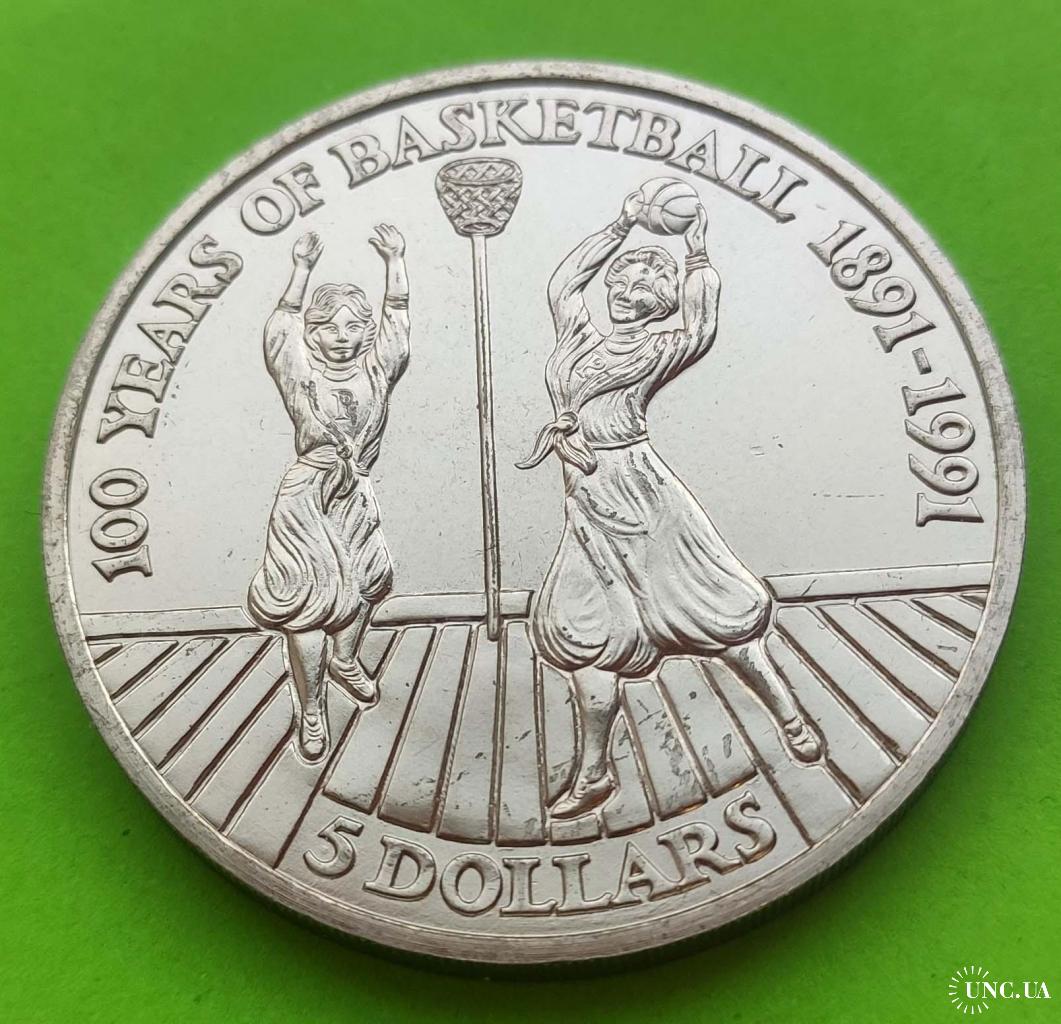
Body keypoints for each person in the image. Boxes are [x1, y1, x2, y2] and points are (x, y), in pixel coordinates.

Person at [519, 190, 821, 818]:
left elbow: (702, 326)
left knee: (716, 618)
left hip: (641, 492)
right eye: (621, 281)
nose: (625, 293)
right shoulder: (577, 339)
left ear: (659, 303)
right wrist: (620, 225)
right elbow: (563, 284)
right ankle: (594, 773)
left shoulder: (658, 349)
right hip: (587, 500)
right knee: (587, 634)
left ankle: (789, 714)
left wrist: (697, 251)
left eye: (642, 288)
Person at [248, 226, 409, 762]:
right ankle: (312, 708)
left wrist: (395, 261)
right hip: (308, 495)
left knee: (369, 582)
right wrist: (300, 269)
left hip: (354, 491)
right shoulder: (301, 376)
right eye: (328, 327)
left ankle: (344, 660)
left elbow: (398, 324)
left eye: (353, 326)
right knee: (309, 603)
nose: (341, 336)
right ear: (312, 334)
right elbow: (279, 329)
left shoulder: (377, 372)